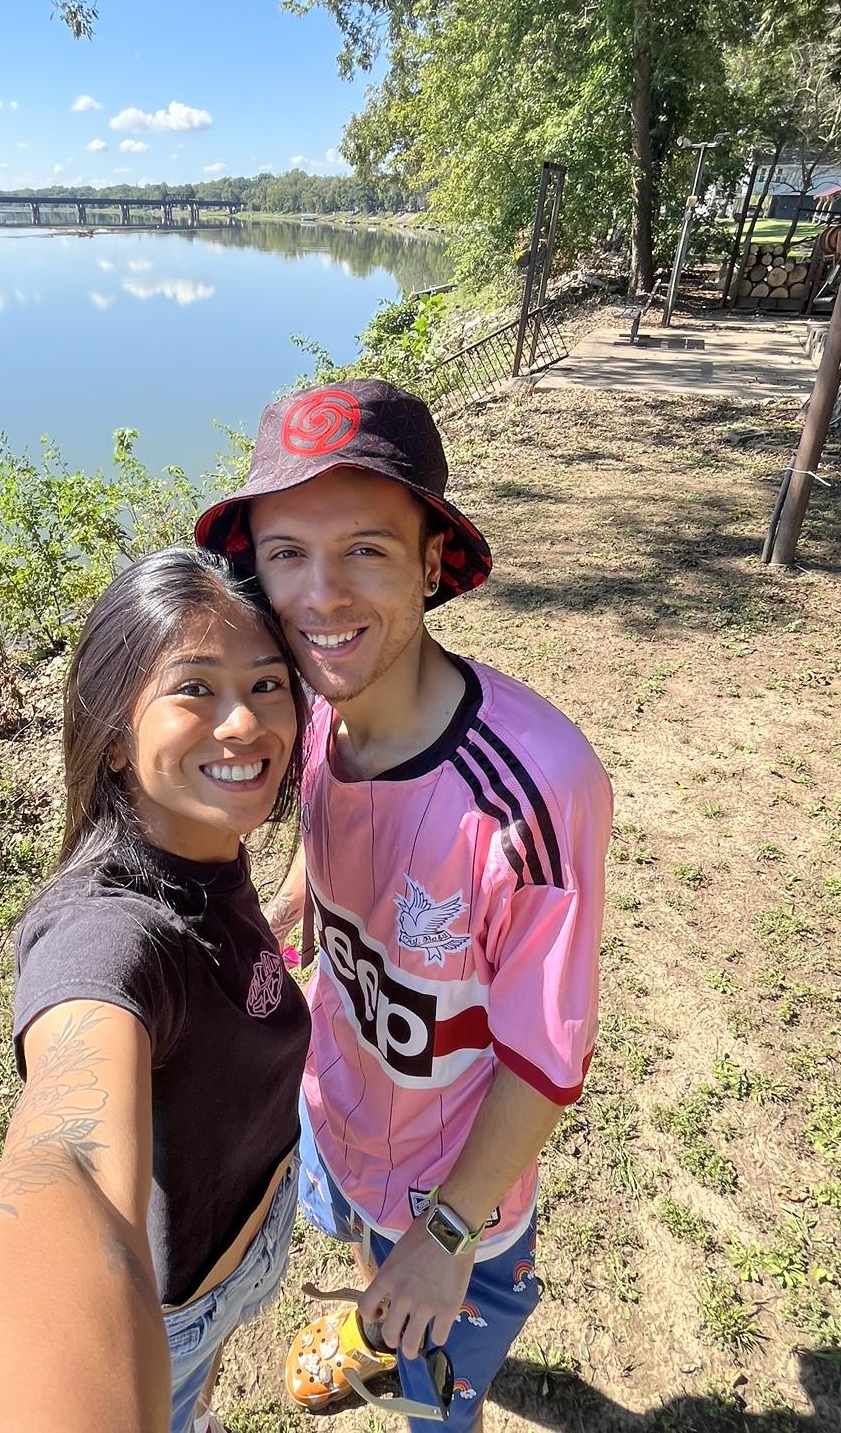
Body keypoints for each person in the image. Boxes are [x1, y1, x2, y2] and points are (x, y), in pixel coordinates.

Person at [195, 379, 613, 1431]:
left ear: (433, 562)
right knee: (362, 1251)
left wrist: (448, 1236)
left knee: (436, 1389)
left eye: (366, 550)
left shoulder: (534, 791)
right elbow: (334, 824)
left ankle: (409, 1351)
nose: (320, 597)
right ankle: (368, 1320)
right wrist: (298, 893)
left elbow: (546, 1055)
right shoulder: (315, 714)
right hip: (339, 1098)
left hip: (451, 1183)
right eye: (287, 552)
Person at [0, 546, 312, 1433]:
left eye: (267, 684)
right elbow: (70, 1165)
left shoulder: (202, 843)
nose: (246, 723)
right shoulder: (108, 934)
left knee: (201, 1386)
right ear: (117, 740)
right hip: (173, 1310)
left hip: (247, 1231)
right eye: (194, 689)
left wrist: (292, 901)